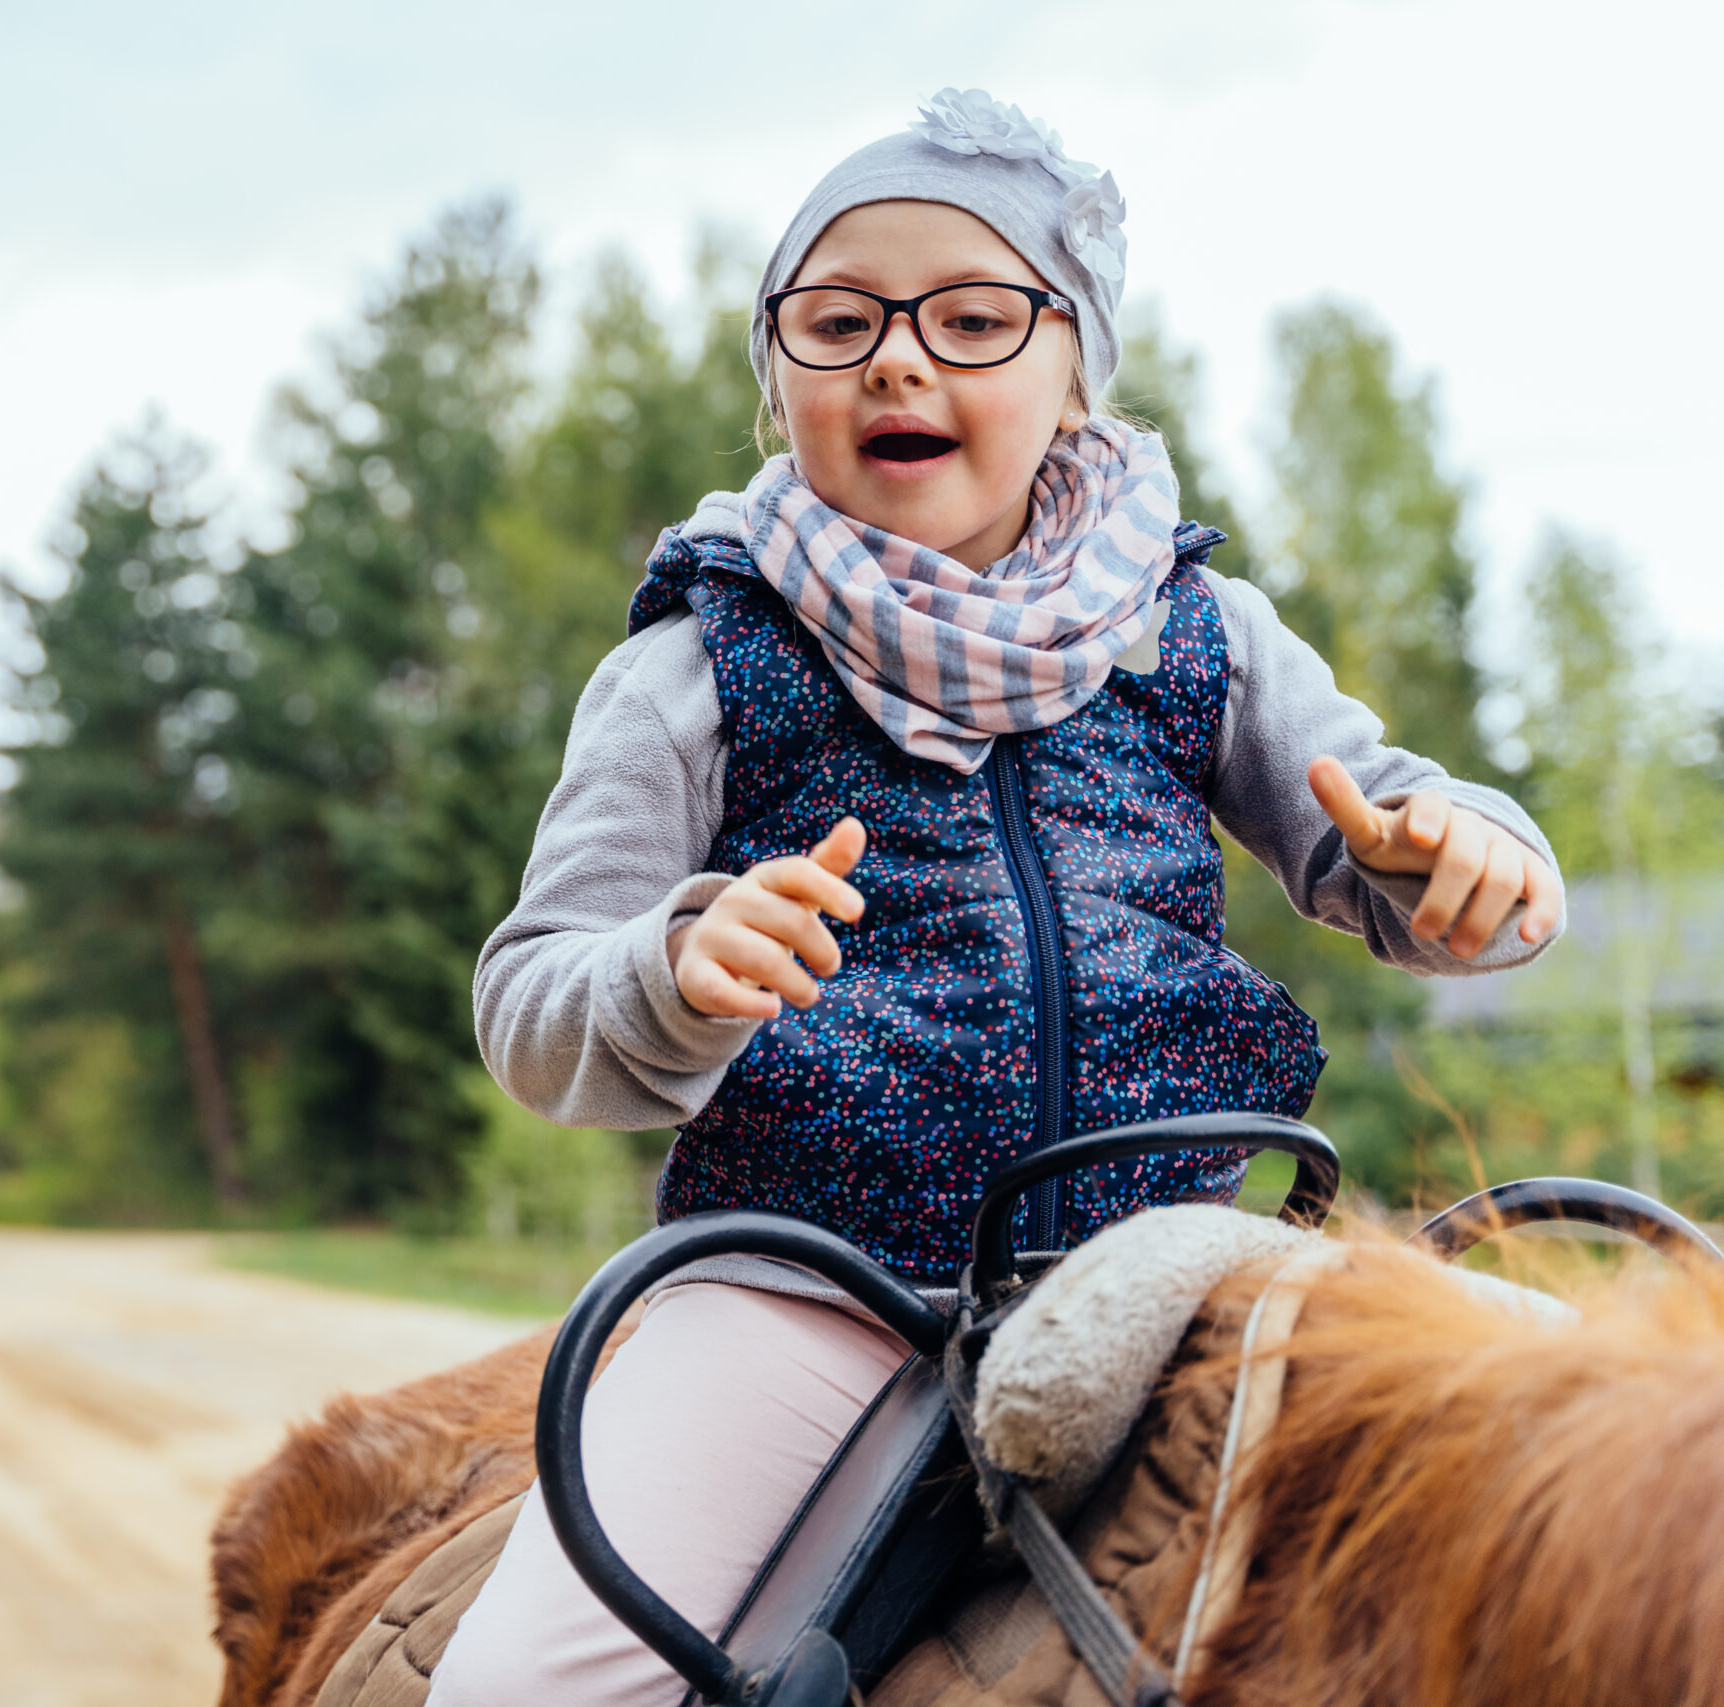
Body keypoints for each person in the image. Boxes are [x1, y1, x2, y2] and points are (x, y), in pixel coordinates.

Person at [427, 90, 1563, 1706]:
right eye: (839, 322)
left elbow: (1397, 828)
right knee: (520, 1696)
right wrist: (675, 970)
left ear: (1073, 373)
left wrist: (1462, 859)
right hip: (812, 1289)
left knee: (1591, 1477)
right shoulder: (692, 667)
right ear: (781, 379)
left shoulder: (1202, 629)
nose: (900, 356)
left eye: (972, 318)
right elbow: (533, 1002)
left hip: (1185, 1263)